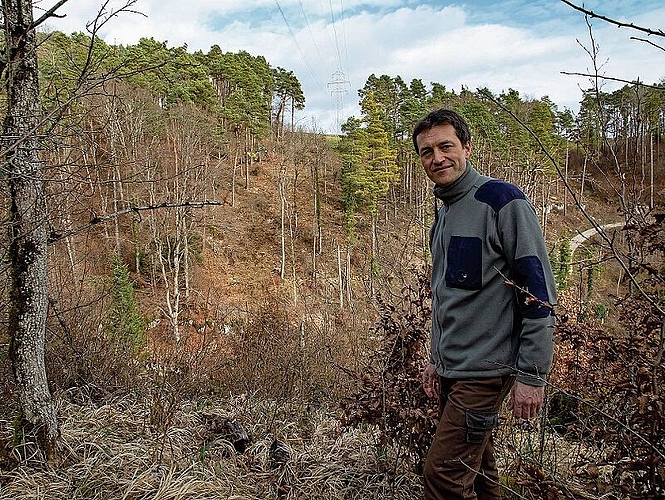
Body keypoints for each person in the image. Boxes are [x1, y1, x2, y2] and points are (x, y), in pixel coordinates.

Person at [413, 108, 556, 500]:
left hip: (485, 371)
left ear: (467, 147)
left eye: (446, 146)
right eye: (427, 152)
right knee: (479, 473)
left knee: (442, 478)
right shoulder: (443, 217)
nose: (437, 158)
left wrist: (532, 374)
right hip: (455, 369)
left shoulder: (502, 201)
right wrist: (435, 359)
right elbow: (448, 300)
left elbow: (538, 291)